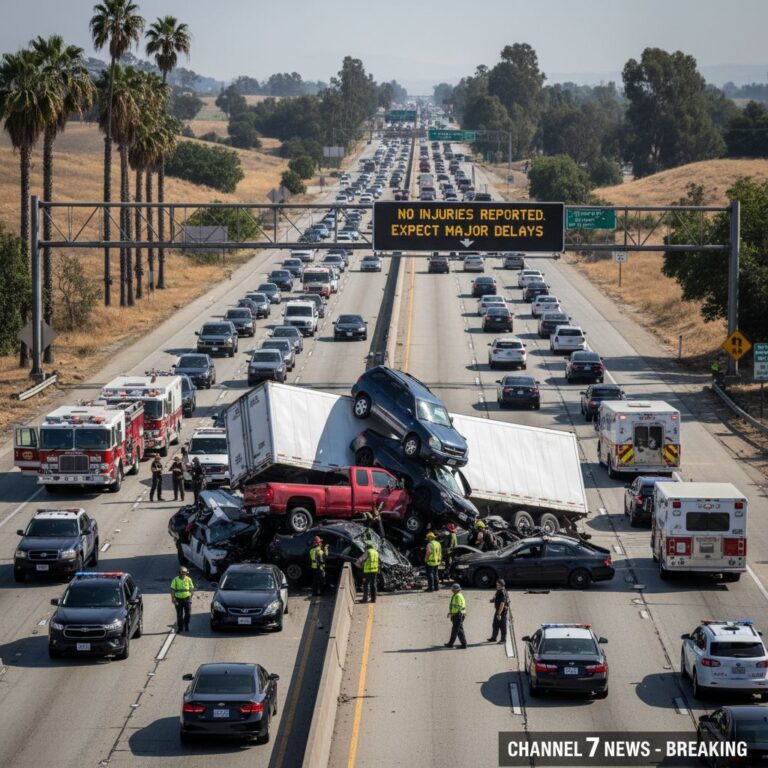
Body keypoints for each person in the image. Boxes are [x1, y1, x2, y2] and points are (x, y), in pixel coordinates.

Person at [170, 565, 195, 633]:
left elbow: (191, 588)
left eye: (186, 573)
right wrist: (173, 598)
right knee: (179, 614)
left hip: (187, 598)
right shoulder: (175, 580)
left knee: (188, 614)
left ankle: (186, 624)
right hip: (178, 599)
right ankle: (180, 628)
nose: (185, 574)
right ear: (180, 573)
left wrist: (191, 596)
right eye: (184, 573)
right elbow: (172, 589)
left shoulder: (188, 579)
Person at [356, 538, 379, 603]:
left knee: (366, 584)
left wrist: (360, 566)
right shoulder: (375, 552)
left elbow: (359, 560)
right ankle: (373, 599)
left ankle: (365, 599)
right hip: (375, 570)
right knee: (373, 584)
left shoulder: (368, 552)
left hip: (368, 571)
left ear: (367, 547)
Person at [444, 583, 467, 649]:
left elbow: (458, 606)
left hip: (458, 615)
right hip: (459, 615)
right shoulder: (459, 595)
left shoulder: (457, 596)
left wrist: (454, 613)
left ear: (457, 590)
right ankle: (463, 644)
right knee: (459, 630)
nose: (452, 590)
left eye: (453, 589)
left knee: (455, 630)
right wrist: (451, 612)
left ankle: (451, 644)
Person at [487, 579, 509, 644]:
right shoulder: (498, 591)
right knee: (495, 625)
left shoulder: (502, 593)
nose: (497, 586)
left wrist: (499, 614)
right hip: (498, 611)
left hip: (502, 612)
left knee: (502, 627)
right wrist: (493, 600)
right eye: (497, 585)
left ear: (502, 585)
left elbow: (502, 604)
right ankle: (494, 638)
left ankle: (503, 640)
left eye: (499, 585)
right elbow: (496, 596)